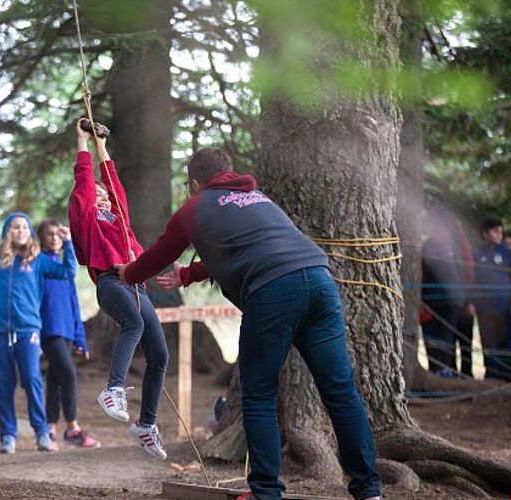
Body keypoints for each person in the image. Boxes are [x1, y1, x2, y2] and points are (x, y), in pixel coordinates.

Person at [115, 148, 382, 500]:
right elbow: (253, 245)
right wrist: (191, 275)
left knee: (258, 395)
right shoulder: (257, 198)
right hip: (319, 281)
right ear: (228, 173)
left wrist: (128, 273)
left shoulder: (195, 208)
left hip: (272, 291)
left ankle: (266, 492)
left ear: (195, 183)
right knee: (341, 391)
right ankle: (369, 490)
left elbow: (160, 254)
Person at [68, 119, 169, 460]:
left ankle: (146, 425)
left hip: (137, 287)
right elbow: (84, 186)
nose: (103, 198)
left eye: (104, 196)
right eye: (97, 196)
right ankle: (113, 390)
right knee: (135, 324)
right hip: (111, 282)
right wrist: (82, 143)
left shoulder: (121, 224)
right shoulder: (88, 221)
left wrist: (102, 147)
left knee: (160, 355)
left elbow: (115, 187)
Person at [0, 212, 77, 454]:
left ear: (29, 232)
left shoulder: (38, 261)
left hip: (28, 329)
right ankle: (7, 436)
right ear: (6, 232)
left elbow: (67, 272)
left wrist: (69, 243)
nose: (19, 230)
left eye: (24, 227)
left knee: (31, 379)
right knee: (2, 383)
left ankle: (42, 432)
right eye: (14, 227)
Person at [37, 218, 100, 449]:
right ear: (41, 238)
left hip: (66, 332)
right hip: (48, 330)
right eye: (49, 234)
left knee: (55, 380)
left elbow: (74, 306)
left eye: (58, 234)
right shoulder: (40, 264)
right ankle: (73, 428)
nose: (54, 238)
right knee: (69, 375)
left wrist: (80, 339)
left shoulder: (64, 266)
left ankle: (50, 428)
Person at [469, 218, 511, 380]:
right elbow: (471, 279)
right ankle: (491, 374)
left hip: (504, 304)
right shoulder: (476, 254)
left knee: (506, 340)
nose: (499, 235)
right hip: (484, 306)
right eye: (495, 231)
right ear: (485, 233)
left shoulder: (506, 253)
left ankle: (507, 373)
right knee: (488, 341)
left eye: (501, 231)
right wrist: (470, 301)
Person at [421, 215, 468, 377]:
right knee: (432, 337)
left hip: (454, 298)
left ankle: (445, 369)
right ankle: (435, 369)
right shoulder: (426, 246)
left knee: (446, 335)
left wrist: (467, 297)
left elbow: (466, 271)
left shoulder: (456, 245)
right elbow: (422, 273)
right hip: (431, 298)